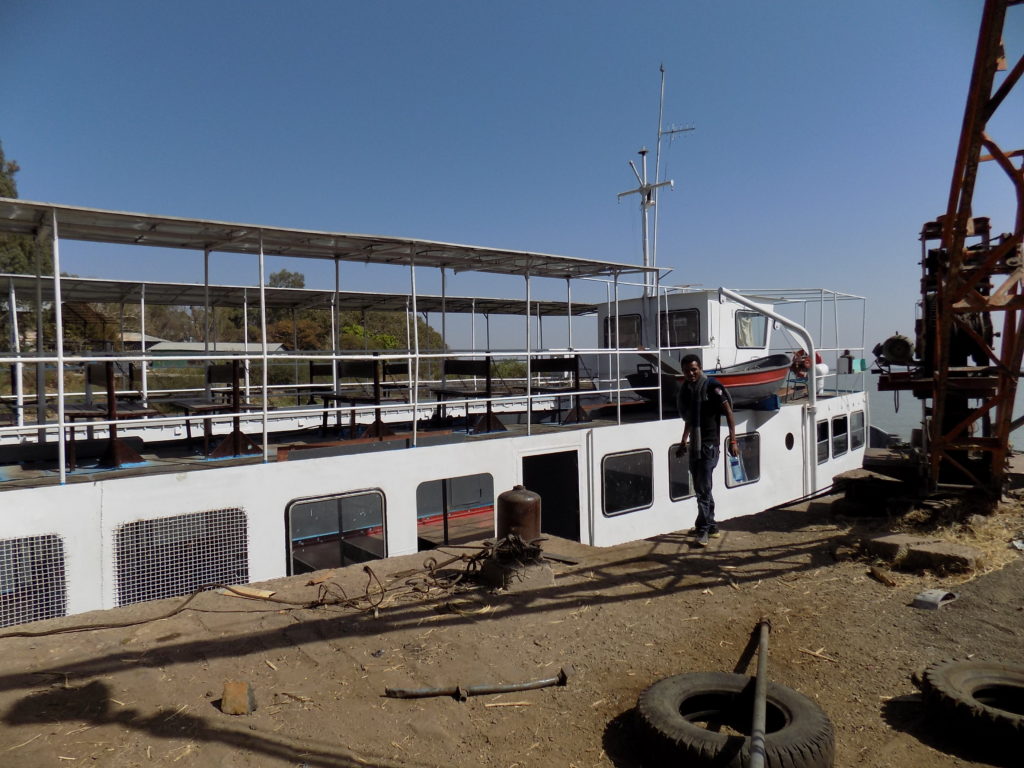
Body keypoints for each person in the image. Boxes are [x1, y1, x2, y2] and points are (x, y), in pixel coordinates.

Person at [674, 354, 738, 548]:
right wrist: (683, 442)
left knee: (702, 489)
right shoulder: (687, 390)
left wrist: (733, 440)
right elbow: (690, 420)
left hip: (710, 445)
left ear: (700, 368)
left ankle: (703, 530)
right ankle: (712, 526)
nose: (691, 373)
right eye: (687, 370)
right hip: (695, 445)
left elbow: (728, 412)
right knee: (703, 488)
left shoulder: (712, 387)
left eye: (694, 369)